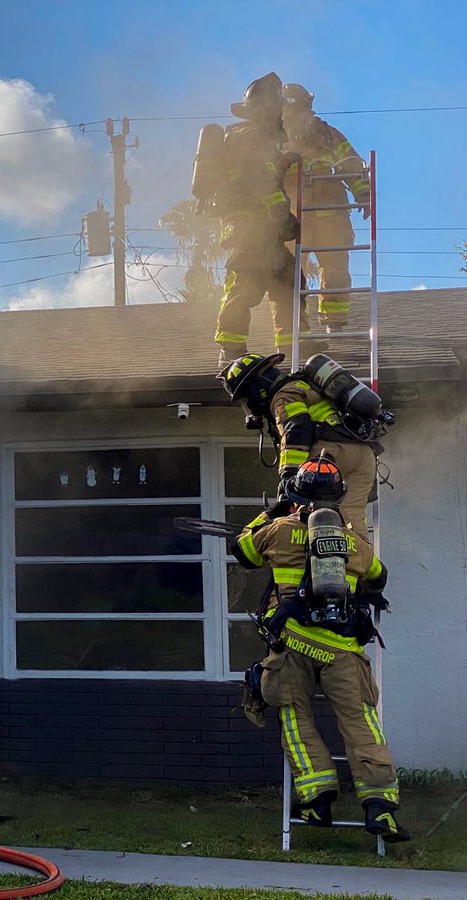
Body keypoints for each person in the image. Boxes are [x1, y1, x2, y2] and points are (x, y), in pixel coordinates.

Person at [232, 458, 408, 842]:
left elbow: (242, 549)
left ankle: (316, 799)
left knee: (296, 717)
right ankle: (381, 808)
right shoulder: (353, 543)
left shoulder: (277, 531)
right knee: (362, 723)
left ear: (296, 497)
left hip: (292, 643)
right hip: (343, 649)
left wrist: (272, 511)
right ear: (338, 499)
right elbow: (378, 578)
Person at [205, 72, 306, 366]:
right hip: (249, 224)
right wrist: (279, 211)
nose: (280, 115)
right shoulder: (247, 136)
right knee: (248, 281)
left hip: (265, 227)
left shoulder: (260, 141)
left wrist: (285, 161)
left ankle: (293, 351)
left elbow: (267, 171)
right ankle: (231, 349)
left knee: (289, 281)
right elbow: (257, 177)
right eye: (275, 108)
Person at [219, 351, 380, 535]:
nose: (248, 404)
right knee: (351, 518)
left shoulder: (283, 395)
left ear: (257, 388)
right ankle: (358, 560)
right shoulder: (304, 384)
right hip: (364, 456)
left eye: (246, 397)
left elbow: (296, 431)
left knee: (303, 511)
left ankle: (267, 538)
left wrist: (289, 474)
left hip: (329, 453)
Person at [282, 83, 371, 333]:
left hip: (330, 212)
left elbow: (350, 162)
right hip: (291, 216)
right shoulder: (275, 138)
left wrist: (362, 191)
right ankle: (295, 325)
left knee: (335, 266)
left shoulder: (327, 134)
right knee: (289, 270)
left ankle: (335, 322)